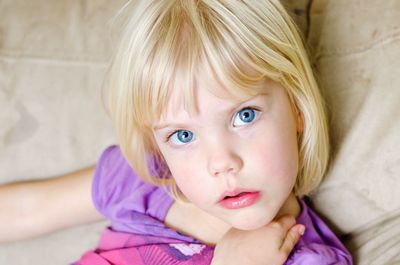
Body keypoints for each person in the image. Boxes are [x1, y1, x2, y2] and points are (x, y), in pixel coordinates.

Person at [0, 0, 352, 264]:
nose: (221, 163)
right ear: (157, 143)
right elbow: (24, 210)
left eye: (244, 115)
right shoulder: (144, 180)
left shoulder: (310, 259)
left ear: (297, 108)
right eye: (183, 136)